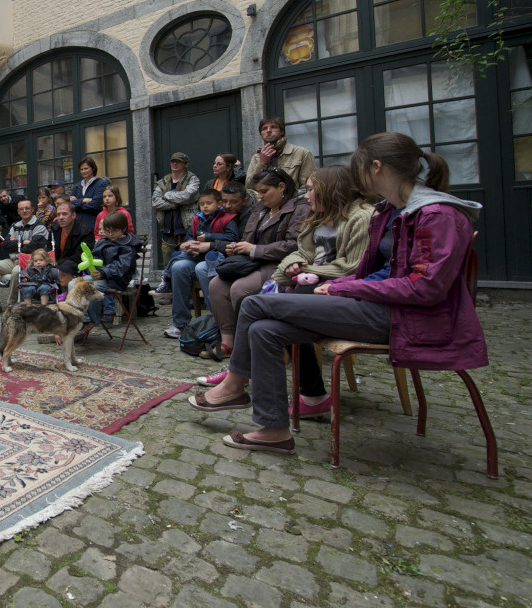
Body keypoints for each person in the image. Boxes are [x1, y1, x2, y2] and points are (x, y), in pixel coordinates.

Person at [189, 132, 486, 454]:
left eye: (356, 168)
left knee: (256, 304)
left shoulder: (435, 214)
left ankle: (235, 385)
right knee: (264, 329)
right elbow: (380, 269)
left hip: (408, 318)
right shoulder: (392, 211)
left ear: (375, 167)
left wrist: (345, 286)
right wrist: (341, 285)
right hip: (380, 305)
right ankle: (274, 429)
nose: (353, 176)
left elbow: (426, 288)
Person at [196, 166, 375, 397]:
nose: (306, 195)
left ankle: (240, 381)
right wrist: (290, 267)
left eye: (311, 189)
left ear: (330, 190)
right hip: (302, 278)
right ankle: (306, 393)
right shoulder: (317, 214)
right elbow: (302, 250)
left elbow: (353, 267)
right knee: (246, 303)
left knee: (253, 305)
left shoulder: (360, 216)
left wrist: (291, 269)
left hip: (336, 287)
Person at [205, 167, 310, 356]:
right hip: (252, 263)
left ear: (281, 187)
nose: (259, 196)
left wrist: (253, 249)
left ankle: (250, 349)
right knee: (216, 285)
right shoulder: (261, 208)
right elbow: (248, 238)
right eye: (258, 191)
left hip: (282, 266)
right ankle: (228, 342)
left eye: (264, 191)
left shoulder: (299, 208)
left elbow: (295, 245)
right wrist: (236, 248)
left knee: (239, 288)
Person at [164, 181, 255, 338]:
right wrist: (186, 244)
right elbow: (191, 235)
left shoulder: (249, 216)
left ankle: (219, 322)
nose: (227, 205)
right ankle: (180, 323)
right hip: (200, 255)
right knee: (179, 267)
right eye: (224, 201)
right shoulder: (207, 215)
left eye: (233, 202)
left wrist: (210, 244)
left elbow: (236, 242)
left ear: (244, 200)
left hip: (228, 261)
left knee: (202, 268)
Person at [68, 211, 141, 336]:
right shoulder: (103, 241)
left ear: (123, 229)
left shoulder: (127, 246)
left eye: (114, 231)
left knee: (90, 288)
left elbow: (122, 267)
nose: (110, 234)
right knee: (73, 283)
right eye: (108, 231)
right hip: (100, 276)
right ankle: (78, 318)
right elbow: (94, 259)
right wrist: (90, 268)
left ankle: (90, 320)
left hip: (117, 280)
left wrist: (103, 273)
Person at [0, 199, 50, 315]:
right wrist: (23, 242)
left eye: (27, 208)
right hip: (13, 259)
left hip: (29, 261)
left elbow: (35, 247)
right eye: (21, 209)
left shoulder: (39, 226)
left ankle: (11, 304)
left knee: (16, 271)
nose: (24, 211)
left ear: (32, 209)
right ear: (18, 212)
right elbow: (6, 245)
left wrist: (17, 244)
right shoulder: (15, 225)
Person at [152, 152, 201, 291]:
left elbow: (188, 195)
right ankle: (170, 290)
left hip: (187, 227)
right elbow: (155, 202)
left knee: (188, 259)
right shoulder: (163, 181)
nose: (175, 164)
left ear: (186, 164)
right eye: (173, 161)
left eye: (178, 161)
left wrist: (167, 196)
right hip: (168, 227)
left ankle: (192, 293)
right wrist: (176, 203)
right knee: (168, 259)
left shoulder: (192, 179)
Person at [162, 188, 239, 275]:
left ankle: (213, 279)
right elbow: (190, 236)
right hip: (197, 252)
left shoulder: (227, 218)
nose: (205, 206)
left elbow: (232, 237)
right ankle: (167, 278)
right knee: (176, 254)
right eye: (202, 204)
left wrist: (209, 237)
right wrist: (190, 243)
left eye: (209, 203)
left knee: (212, 256)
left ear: (219, 204)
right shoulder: (197, 219)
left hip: (216, 251)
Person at [245, 116, 316, 192]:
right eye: (264, 129)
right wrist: (262, 163)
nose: (268, 131)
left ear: (281, 132)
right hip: (265, 201)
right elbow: (249, 187)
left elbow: (308, 186)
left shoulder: (302, 153)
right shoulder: (256, 157)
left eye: (273, 127)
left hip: (293, 201)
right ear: (261, 135)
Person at [50, 198, 95, 289]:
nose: (61, 217)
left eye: (64, 214)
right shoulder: (54, 228)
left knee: (65, 270)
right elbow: (49, 248)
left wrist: (59, 265)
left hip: (76, 267)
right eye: (58, 214)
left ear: (73, 215)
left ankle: (66, 300)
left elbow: (79, 257)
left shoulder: (85, 231)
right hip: (56, 264)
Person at [70, 156, 110, 234]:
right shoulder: (77, 186)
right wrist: (83, 200)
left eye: (86, 168)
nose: (83, 171)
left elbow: (95, 205)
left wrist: (77, 203)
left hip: (92, 225)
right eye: (81, 169)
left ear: (93, 169)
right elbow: (70, 205)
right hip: (76, 226)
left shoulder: (101, 184)